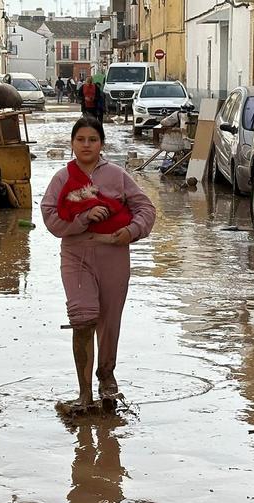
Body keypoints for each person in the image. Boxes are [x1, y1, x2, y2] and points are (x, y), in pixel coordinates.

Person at [41, 118, 156, 415]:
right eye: (80, 139)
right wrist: (81, 219)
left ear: (102, 144)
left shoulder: (117, 176)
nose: (86, 145)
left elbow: (146, 208)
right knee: (83, 317)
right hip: (76, 256)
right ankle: (83, 394)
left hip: (114, 256)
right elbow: (50, 216)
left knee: (109, 321)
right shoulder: (61, 179)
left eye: (92, 139)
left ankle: (106, 378)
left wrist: (130, 232)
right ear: (72, 143)